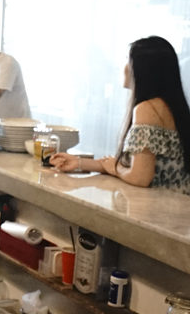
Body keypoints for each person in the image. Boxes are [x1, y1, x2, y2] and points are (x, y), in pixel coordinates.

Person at [50, 36, 190, 195]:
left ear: (142, 69)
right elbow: (135, 167)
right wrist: (79, 163)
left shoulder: (148, 109)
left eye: (127, 61)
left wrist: (116, 169)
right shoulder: (169, 106)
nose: (123, 67)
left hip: (160, 212)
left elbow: (139, 177)